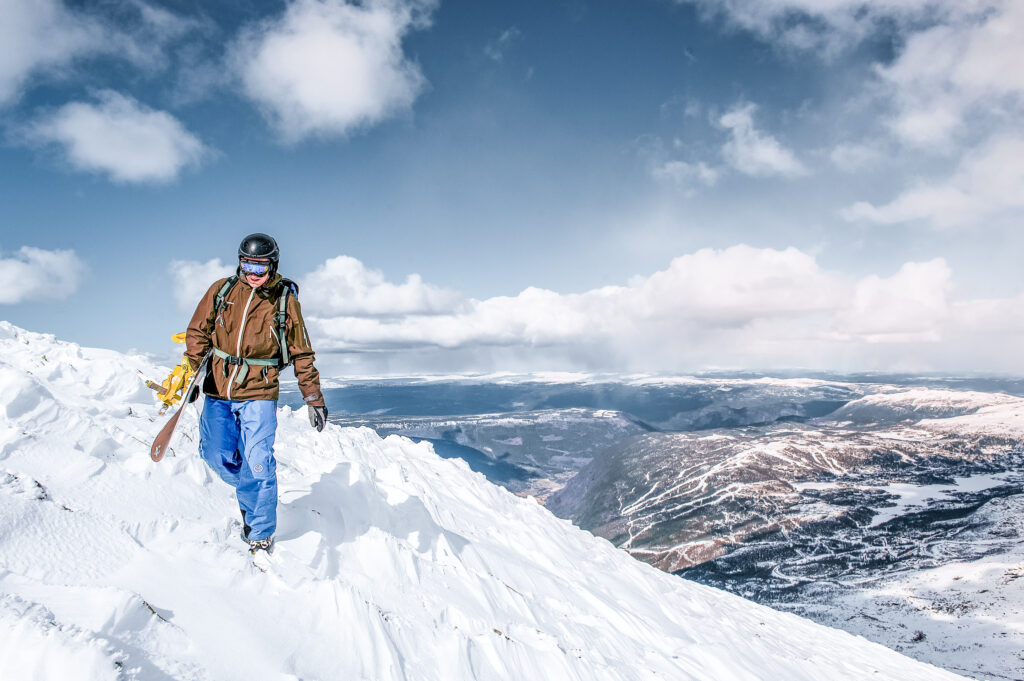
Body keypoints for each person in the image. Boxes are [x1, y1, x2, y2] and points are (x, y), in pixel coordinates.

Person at [178, 233, 327, 553]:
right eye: (247, 265)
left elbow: (302, 352)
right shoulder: (222, 291)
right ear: (239, 262)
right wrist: (190, 376)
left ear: (272, 266)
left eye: (260, 267)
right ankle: (253, 489)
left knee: (258, 462)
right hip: (218, 389)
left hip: (260, 390)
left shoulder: (285, 300)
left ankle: (259, 530)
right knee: (215, 456)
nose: (253, 274)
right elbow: (198, 333)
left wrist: (312, 396)